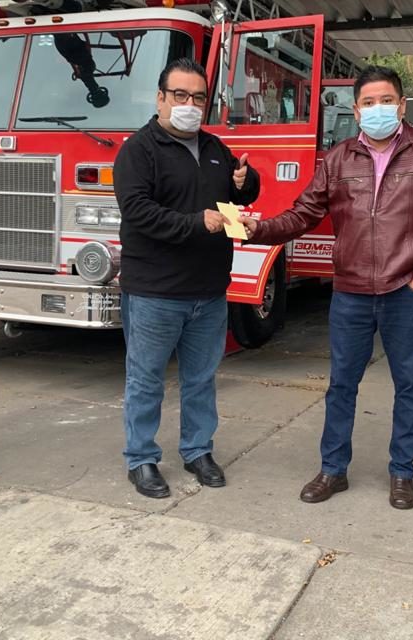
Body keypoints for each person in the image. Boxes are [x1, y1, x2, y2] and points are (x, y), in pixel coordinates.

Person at [241, 66, 413, 510]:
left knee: (408, 384)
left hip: (407, 290)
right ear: (356, 109)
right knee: (342, 384)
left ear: (402, 106)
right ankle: (333, 469)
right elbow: (303, 213)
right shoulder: (340, 158)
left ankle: (402, 473)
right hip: (350, 290)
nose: (377, 109)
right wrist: (258, 228)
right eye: (368, 102)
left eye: (386, 101)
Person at [113, 58, 260, 499]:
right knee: (146, 380)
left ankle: (198, 451)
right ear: (160, 98)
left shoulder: (215, 147)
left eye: (198, 97)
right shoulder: (138, 151)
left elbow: (238, 197)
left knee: (201, 379)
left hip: (208, 292)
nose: (190, 105)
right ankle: (141, 459)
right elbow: (139, 213)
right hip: (155, 292)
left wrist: (243, 182)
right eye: (180, 95)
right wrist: (199, 223)